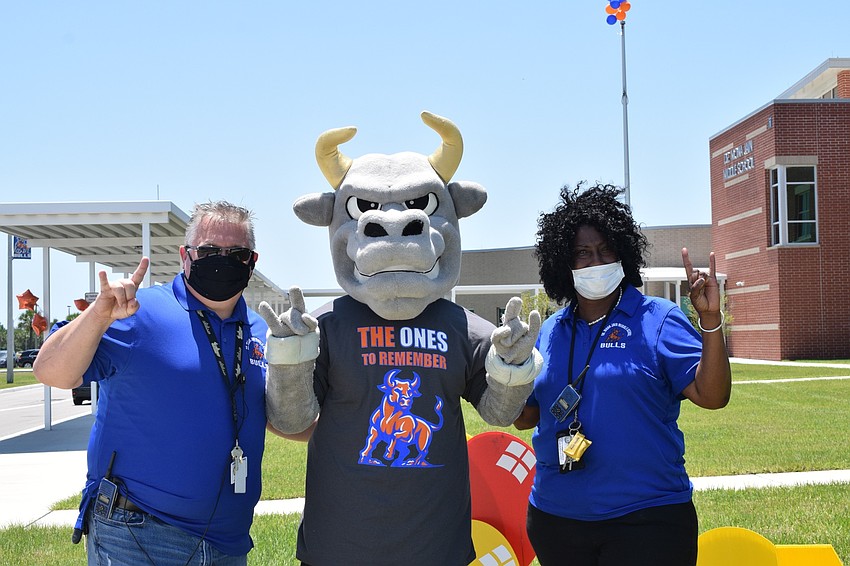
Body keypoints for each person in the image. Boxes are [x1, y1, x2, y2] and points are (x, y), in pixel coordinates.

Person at [261, 112, 542, 565]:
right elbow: (291, 420)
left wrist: (511, 366)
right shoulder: (324, 326)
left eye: (419, 206)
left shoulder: (461, 326)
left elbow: (500, 413)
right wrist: (290, 362)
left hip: (436, 547)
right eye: (365, 210)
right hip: (338, 548)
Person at [33, 200, 269, 565]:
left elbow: (279, 414)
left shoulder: (259, 331)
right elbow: (51, 371)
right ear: (185, 256)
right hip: (137, 534)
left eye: (236, 254)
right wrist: (98, 315)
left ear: (251, 262)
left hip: (228, 541)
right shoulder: (135, 312)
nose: (221, 261)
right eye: (208, 251)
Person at [514, 183, 731, 566]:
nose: (596, 261)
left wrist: (711, 321)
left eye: (606, 250)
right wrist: (505, 373)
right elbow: (525, 417)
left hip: (647, 521)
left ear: (623, 254)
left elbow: (713, 396)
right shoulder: (549, 331)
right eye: (582, 253)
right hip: (556, 519)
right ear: (564, 262)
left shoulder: (657, 318)